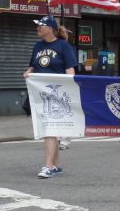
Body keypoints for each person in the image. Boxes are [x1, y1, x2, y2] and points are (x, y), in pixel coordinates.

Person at [23, 15, 78, 179]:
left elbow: (70, 70)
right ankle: (56, 166)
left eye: (41, 25)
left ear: (50, 29)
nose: (38, 28)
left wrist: (70, 90)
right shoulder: (38, 46)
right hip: (40, 94)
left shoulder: (63, 46)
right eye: (37, 25)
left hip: (57, 94)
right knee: (50, 129)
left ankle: (48, 166)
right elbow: (33, 66)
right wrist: (28, 73)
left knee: (49, 129)